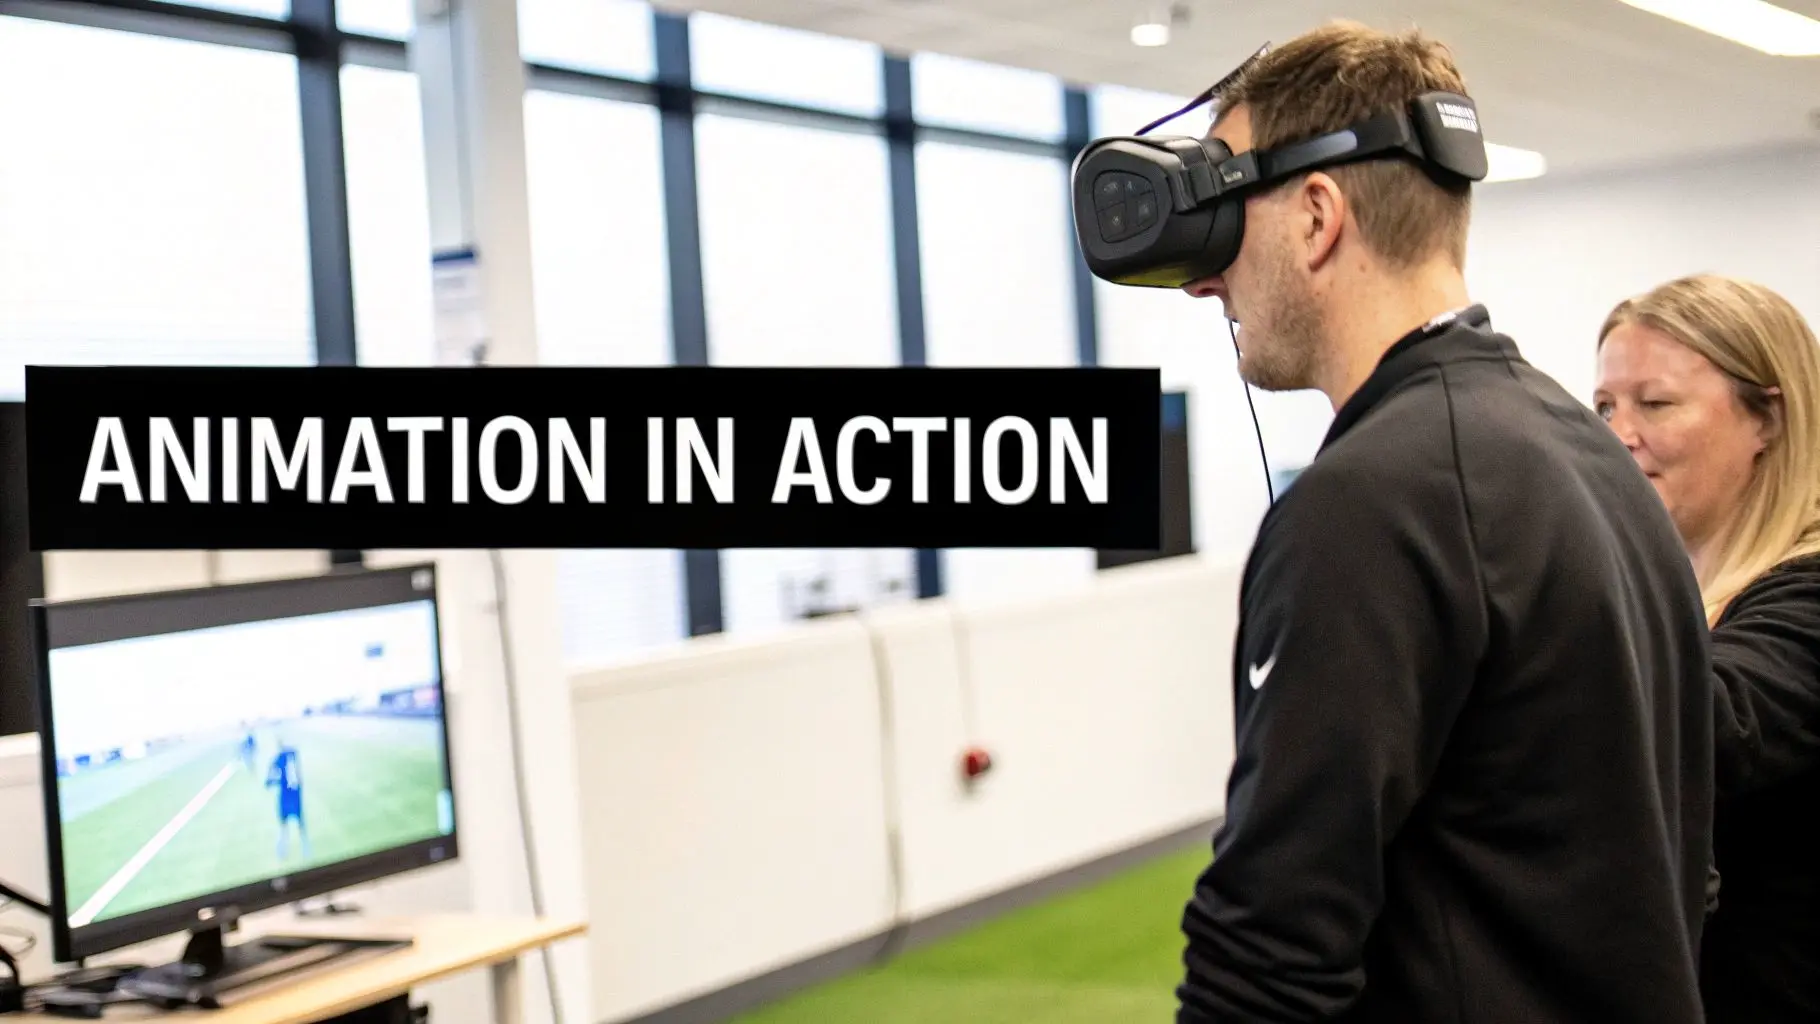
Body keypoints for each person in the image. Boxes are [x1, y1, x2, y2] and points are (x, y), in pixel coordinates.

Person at [1167, 22, 1713, 1023]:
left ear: (1316, 216)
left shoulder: (1367, 503)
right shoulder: (1588, 455)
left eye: (1223, 220)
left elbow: (1267, 947)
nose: (1205, 279)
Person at [1594, 273, 1820, 1022]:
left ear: (1771, 421)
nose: (1618, 435)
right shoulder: (1680, 597)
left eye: (1654, 404)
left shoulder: (1807, 593)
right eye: (1604, 408)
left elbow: (1712, 722)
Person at [266, 738, 311, 861]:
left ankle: (284, 852)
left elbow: (268, 781)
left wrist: (275, 780)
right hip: (294, 796)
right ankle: (303, 850)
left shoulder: (279, 759)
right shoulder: (292, 754)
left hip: (286, 797)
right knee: (297, 824)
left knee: (285, 825)